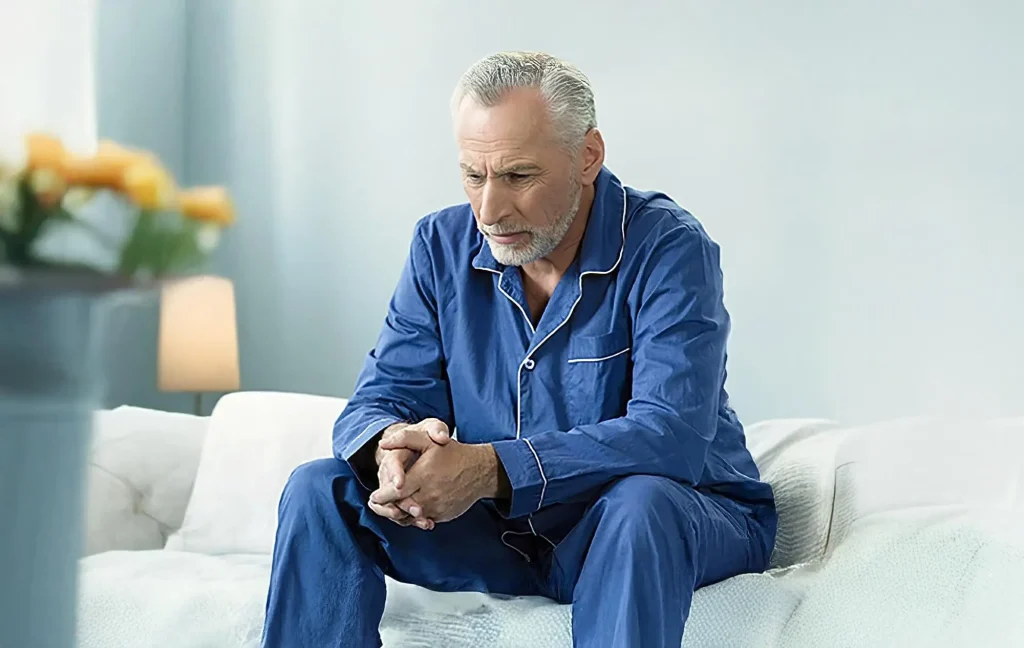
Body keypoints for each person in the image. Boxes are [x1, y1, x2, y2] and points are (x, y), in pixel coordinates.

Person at [261, 51, 777, 648]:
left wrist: (488, 469)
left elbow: (672, 438)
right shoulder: (439, 245)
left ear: (588, 156)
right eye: (473, 176)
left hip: (663, 520)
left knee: (642, 504)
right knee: (319, 489)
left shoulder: (670, 248)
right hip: (507, 534)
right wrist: (393, 453)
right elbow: (382, 397)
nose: (489, 210)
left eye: (518, 176)